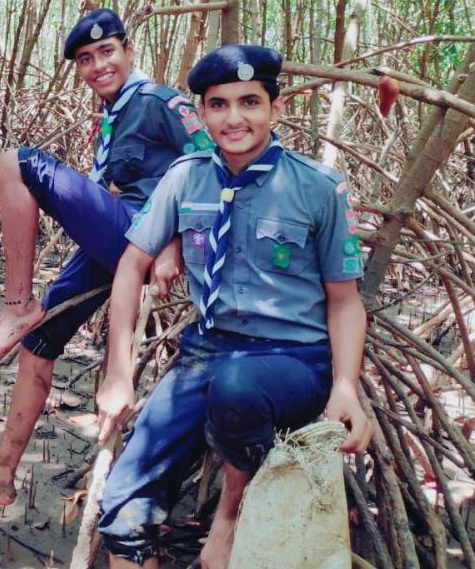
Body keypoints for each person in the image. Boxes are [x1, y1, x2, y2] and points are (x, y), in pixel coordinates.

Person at [95, 44, 374, 569]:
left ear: (276, 107)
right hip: (207, 349)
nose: (234, 118)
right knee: (124, 502)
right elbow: (131, 267)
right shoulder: (186, 176)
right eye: (219, 105)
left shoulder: (317, 187)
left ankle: (229, 518)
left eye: (250, 101)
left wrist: (345, 388)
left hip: (294, 357)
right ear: (201, 113)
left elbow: (344, 301)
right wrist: (117, 374)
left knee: (237, 388)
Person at [0, 8, 208, 506]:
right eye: (85, 59)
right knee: (40, 340)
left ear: (128, 50)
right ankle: (2, 468)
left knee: (19, 163)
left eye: (107, 52)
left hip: (139, 236)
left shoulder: (159, 101)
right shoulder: (115, 114)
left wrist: (175, 245)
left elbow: (210, 165)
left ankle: (16, 301)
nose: (98, 65)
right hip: (118, 244)